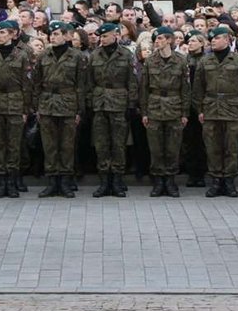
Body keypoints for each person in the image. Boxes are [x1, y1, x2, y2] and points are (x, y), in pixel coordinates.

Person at [192, 26, 238, 198]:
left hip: (232, 108)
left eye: (217, 38)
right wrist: (200, 109)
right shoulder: (205, 61)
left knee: (231, 147)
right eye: (211, 38)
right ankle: (216, 180)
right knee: (212, 147)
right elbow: (198, 88)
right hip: (211, 108)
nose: (213, 40)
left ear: (227, 40)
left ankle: (229, 181)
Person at [34, 21, 86, 198]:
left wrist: (79, 110)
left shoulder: (77, 56)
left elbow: (81, 85)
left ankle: (65, 181)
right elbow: (37, 83)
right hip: (47, 103)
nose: (52, 37)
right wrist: (38, 107)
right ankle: (52, 181)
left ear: (66, 36)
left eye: (56, 34)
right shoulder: (43, 56)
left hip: (68, 104)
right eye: (51, 34)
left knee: (66, 145)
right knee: (49, 145)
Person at [87, 22, 138, 198]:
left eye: (105, 36)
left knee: (118, 144)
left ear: (115, 35)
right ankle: (104, 181)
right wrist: (90, 103)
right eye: (100, 37)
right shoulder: (94, 55)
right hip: (100, 103)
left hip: (119, 102)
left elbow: (131, 81)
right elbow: (89, 82)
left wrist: (131, 104)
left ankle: (117, 180)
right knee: (101, 144)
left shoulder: (125, 54)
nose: (102, 39)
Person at [139, 26, 190, 198]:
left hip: (174, 107)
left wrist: (184, 113)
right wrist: (144, 112)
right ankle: (158, 181)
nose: (157, 42)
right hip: (154, 107)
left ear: (169, 40)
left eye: (160, 38)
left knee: (173, 148)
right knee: (156, 148)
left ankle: (170, 180)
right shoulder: (150, 61)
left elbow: (185, 89)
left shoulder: (181, 61)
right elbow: (144, 89)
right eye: (155, 39)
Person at [0, 19, 31, 198]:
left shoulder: (22, 55)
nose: (0, 36)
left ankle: (12, 180)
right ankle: (1, 180)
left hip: (15, 103)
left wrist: (26, 109)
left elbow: (27, 84)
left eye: (3, 33)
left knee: (14, 144)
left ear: (12, 34)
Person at [181, 31, 208, 187]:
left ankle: (201, 173)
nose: (190, 43)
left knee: (202, 141)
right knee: (189, 141)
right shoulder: (184, 60)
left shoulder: (206, 60)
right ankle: (192, 174)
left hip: (203, 105)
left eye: (193, 41)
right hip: (187, 105)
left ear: (202, 43)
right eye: (189, 41)